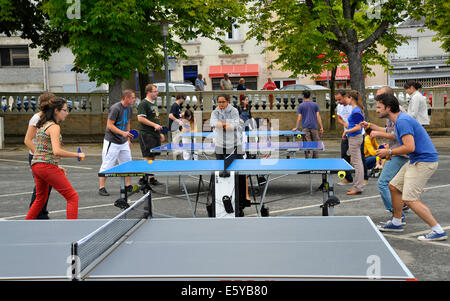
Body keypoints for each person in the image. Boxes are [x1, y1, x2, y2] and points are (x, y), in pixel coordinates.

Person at [374, 93, 447, 241]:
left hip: (424, 161)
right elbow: (406, 146)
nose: (376, 110)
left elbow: (410, 147)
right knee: (394, 186)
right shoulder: (398, 121)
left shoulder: (403, 121)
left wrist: (389, 151)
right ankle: (396, 221)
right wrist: (390, 152)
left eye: (379, 107)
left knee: (410, 198)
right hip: (416, 159)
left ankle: (438, 230)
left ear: (388, 108)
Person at [26, 97, 84, 220]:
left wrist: (55, 166)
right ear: (56, 111)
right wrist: (77, 155)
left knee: (40, 199)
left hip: (37, 165)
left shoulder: (44, 124)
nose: (67, 113)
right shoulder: (54, 127)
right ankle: (72, 230)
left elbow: (46, 151)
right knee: (72, 197)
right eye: (65, 110)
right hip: (45, 166)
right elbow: (57, 151)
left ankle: (25, 226)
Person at [360, 86, 409, 217]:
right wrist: (371, 126)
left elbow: (397, 135)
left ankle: (397, 215)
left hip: (399, 153)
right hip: (395, 152)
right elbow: (387, 131)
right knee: (394, 185)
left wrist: (387, 147)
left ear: (387, 100)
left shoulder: (400, 114)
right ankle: (401, 207)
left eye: (379, 96)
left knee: (383, 184)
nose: (376, 106)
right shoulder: (391, 113)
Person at [210, 94, 250, 215]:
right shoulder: (215, 111)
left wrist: (221, 125)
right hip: (220, 145)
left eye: (223, 102)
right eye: (219, 102)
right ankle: (218, 204)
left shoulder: (234, 111)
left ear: (228, 101)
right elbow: (213, 123)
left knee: (240, 174)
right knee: (220, 174)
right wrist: (224, 124)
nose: (220, 104)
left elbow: (233, 126)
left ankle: (241, 203)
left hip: (235, 146)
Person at [24, 92, 57, 219]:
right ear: (49, 103)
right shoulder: (36, 119)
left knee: (46, 187)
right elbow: (28, 140)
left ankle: (41, 213)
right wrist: (39, 155)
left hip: (45, 157)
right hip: (37, 157)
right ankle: (35, 214)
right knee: (40, 188)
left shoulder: (48, 118)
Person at [98, 89, 136, 196]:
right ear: (126, 98)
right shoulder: (115, 108)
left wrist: (127, 138)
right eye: (132, 97)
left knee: (127, 163)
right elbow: (109, 125)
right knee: (107, 164)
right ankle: (101, 187)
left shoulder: (129, 108)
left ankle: (127, 186)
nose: (134, 99)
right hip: (112, 141)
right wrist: (123, 133)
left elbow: (128, 122)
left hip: (123, 141)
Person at [137, 84, 165, 186]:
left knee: (152, 156)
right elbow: (140, 118)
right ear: (149, 92)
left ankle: (151, 178)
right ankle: (142, 179)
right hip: (146, 134)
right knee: (147, 157)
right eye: (155, 91)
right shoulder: (143, 104)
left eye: (157, 91)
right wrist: (154, 125)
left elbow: (155, 119)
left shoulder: (154, 104)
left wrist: (160, 132)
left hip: (154, 134)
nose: (157, 93)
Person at [342, 90, 365, 195]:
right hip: (354, 138)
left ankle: (357, 187)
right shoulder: (356, 109)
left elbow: (358, 127)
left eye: (348, 97)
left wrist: (346, 131)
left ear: (351, 98)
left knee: (357, 163)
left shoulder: (356, 110)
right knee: (357, 162)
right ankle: (357, 186)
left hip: (355, 138)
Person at [291, 90, 323, 159]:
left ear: (303, 95)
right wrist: (321, 127)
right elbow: (318, 116)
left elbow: (299, 118)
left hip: (305, 128)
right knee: (315, 145)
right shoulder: (315, 104)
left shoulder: (301, 105)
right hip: (314, 127)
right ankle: (315, 160)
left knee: (306, 145)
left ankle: (307, 159)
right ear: (309, 95)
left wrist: (296, 127)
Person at [335, 90, 354, 185]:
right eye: (337, 100)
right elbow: (339, 118)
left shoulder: (352, 106)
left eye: (339, 99)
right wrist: (344, 124)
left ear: (345, 96)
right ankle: (348, 178)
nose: (338, 101)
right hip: (346, 134)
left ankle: (362, 178)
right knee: (344, 155)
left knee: (358, 157)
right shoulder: (339, 106)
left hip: (356, 134)